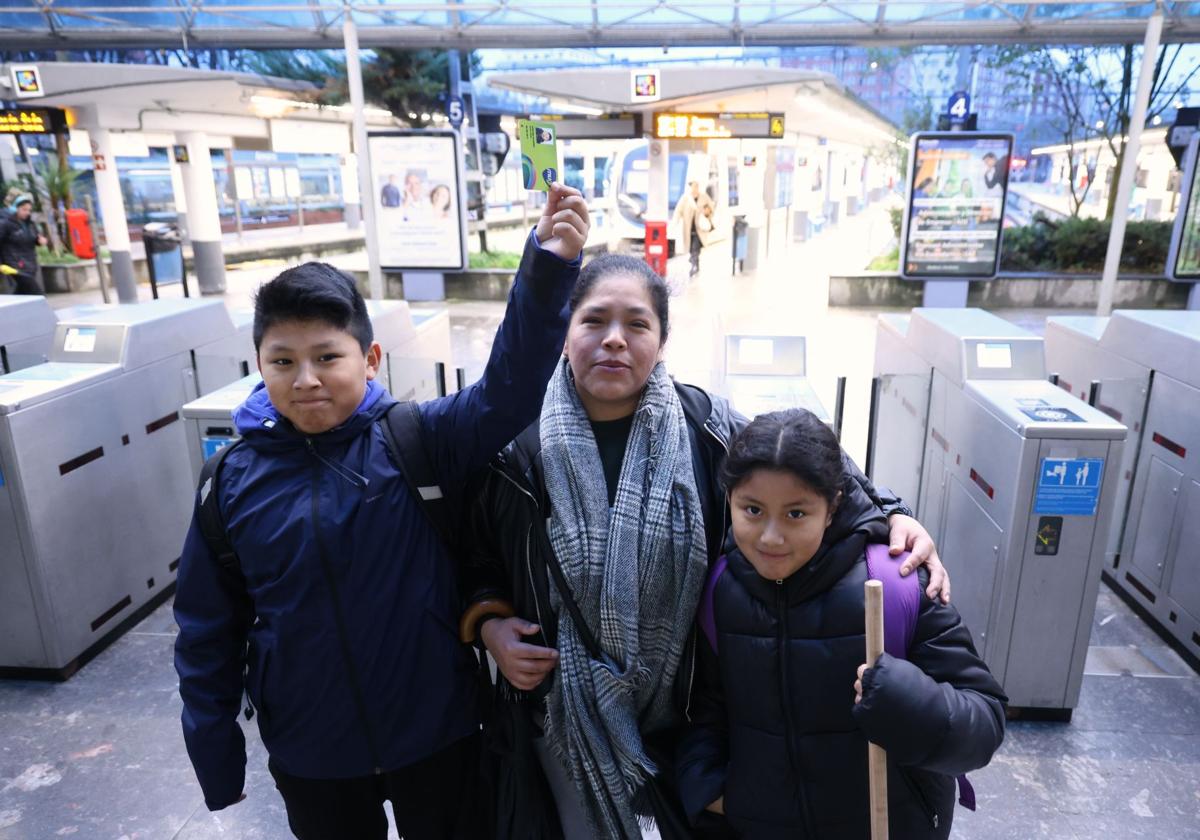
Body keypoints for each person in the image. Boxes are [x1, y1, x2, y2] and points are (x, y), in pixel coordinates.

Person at [459, 254, 949, 840]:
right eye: (594, 321)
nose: (614, 340)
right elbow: (475, 550)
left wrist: (893, 514)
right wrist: (490, 624)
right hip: (564, 717)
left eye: (637, 324)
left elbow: (812, 471)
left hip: (686, 715)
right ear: (566, 332)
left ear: (662, 340)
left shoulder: (706, 425)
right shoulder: (517, 446)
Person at [173, 184, 590, 840]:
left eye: (327, 357)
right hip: (313, 751)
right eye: (282, 361)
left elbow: (509, 391)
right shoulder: (229, 483)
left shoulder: (416, 438)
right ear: (259, 364)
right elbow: (205, 630)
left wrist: (546, 266)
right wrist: (216, 758)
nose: (305, 378)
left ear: (369, 360)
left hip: (438, 734)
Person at [676, 409, 1006, 839]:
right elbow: (706, 709)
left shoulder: (897, 580)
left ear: (832, 507)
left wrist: (907, 701)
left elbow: (984, 722)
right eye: (753, 510)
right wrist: (709, 789)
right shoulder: (721, 589)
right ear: (730, 500)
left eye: (796, 514)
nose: (771, 537)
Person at [0, 194, 47, 294]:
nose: (27, 212)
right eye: (24, 209)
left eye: (29, 210)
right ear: (15, 208)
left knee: (23, 293)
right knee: (36, 293)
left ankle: (9, 309)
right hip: (15, 265)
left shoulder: (30, 224)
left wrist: (39, 241)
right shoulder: (5, 224)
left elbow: (33, 238)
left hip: (30, 263)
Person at [672, 180, 716, 277]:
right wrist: (673, 224)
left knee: (695, 248)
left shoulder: (704, 196)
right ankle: (695, 264)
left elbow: (711, 207)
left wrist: (707, 213)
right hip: (689, 229)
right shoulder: (686, 198)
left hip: (700, 229)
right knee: (692, 248)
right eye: (693, 186)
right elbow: (678, 211)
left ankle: (693, 266)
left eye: (696, 186)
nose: (695, 188)